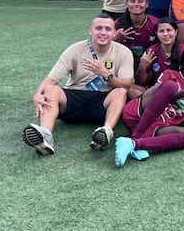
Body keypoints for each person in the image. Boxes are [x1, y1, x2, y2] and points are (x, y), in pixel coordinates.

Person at [22, 16, 133, 156]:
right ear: (90, 30)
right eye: (98, 28)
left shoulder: (123, 52)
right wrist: (37, 94)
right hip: (74, 97)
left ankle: (106, 132)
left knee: (121, 92)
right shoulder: (75, 49)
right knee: (50, 90)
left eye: (108, 29)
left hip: (102, 101)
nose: (103, 32)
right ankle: (45, 135)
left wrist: (106, 74)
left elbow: (126, 85)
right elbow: (50, 80)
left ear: (114, 33)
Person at [115, 47, 184, 168]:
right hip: (139, 112)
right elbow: (158, 100)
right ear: (183, 63)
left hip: (160, 124)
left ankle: (134, 143)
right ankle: (137, 136)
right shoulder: (170, 74)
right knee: (170, 86)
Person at [133, 17, 184, 99]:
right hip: (156, 91)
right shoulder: (151, 51)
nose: (165, 34)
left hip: (179, 92)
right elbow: (139, 82)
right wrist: (142, 66)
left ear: (176, 32)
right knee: (130, 88)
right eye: (161, 31)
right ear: (156, 33)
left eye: (169, 30)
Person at [114, 0, 159, 70]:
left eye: (140, 1)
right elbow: (105, 46)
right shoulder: (118, 23)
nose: (136, 4)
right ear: (127, 4)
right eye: (132, 1)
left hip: (148, 63)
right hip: (124, 63)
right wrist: (116, 39)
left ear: (147, 4)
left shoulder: (155, 24)